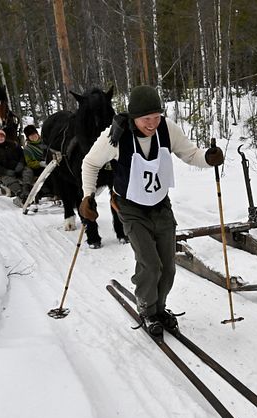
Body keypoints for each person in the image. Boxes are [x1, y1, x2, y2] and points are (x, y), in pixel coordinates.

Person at [79, 85, 224, 337]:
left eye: (156, 117)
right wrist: (87, 196)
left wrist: (208, 158)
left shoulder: (167, 129)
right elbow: (90, 163)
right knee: (149, 263)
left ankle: (160, 307)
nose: (153, 123)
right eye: (147, 119)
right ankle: (147, 309)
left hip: (160, 205)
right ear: (134, 116)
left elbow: (190, 154)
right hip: (131, 207)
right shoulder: (116, 136)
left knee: (167, 266)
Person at [0, 128, 32, 207]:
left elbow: (22, 155)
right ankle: (20, 194)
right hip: (2, 172)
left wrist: (21, 164)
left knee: (28, 171)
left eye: (1, 136)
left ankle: (26, 188)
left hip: (17, 167)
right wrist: (6, 171)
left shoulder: (13, 144)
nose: (0, 138)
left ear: (4, 137)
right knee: (9, 180)